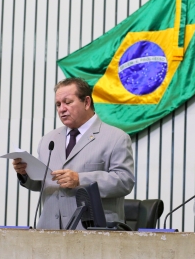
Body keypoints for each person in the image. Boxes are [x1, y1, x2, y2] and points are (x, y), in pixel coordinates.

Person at [12, 77, 135, 230]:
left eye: (68, 102)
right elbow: (42, 183)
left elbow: (125, 181)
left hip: (92, 232)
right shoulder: (48, 140)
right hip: (49, 231)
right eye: (58, 104)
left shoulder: (116, 137)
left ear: (87, 102)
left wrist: (80, 179)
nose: (61, 109)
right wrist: (25, 174)